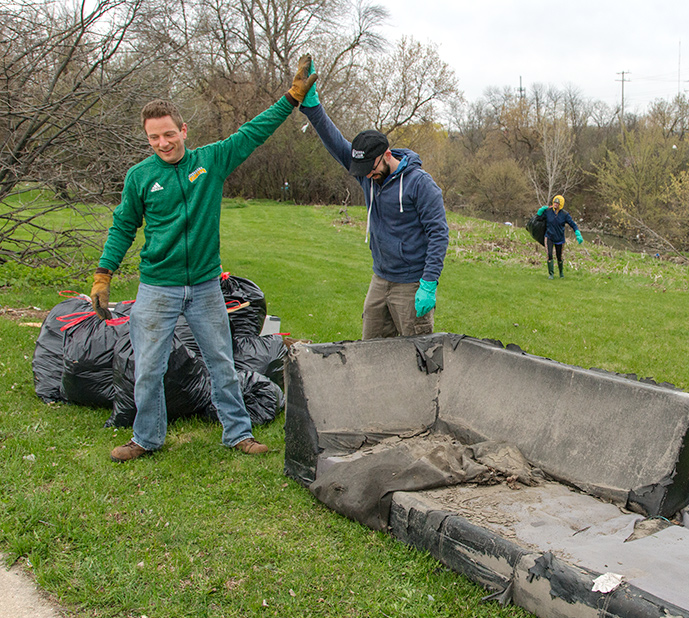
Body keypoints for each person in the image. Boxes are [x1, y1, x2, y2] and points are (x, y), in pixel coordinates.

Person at [89, 56, 317, 462]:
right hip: (157, 286)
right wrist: (103, 274)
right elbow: (123, 225)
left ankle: (238, 434)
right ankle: (145, 438)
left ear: (183, 131)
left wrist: (291, 99)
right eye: (154, 138)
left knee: (222, 363)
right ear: (147, 139)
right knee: (148, 370)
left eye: (169, 134)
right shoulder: (140, 177)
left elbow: (253, 132)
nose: (162, 143)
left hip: (207, 286)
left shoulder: (210, 161)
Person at [298, 60, 448, 337]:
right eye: (363, 172)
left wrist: (429, 283)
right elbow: (335, 142)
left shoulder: (420, 184)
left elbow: (439, 233)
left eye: (372, 170)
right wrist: (312, 107)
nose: (367, 176)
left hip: (412, 283)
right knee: (370, 350)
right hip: (380, 278)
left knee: (418, 355)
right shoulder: (367, 173)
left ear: (387, 156)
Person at [538, 194, 582, 279]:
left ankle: (561, 273)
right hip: (549, 236)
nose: (555, 204)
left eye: (557, 203)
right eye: (554, 202)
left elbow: (573, 224)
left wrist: (577, 233)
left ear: (560, 204)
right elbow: (538, 219)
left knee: (559, 256)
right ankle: (551, 274)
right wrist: (540, 212)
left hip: (559, 239)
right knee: (549, 255)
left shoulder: (564, 214)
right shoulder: (548, 211)